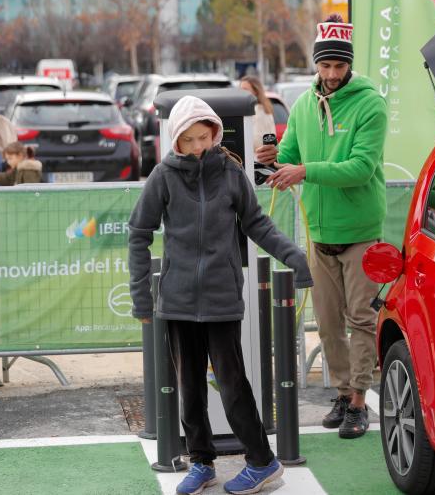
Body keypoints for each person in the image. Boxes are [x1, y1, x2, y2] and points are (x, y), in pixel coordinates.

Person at [128, 95, 312, 495]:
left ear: (214, 132)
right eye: (188, 139)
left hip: (221, 298)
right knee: (190, 387)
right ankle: (202, 463)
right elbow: (139, 232)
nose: (197, 146)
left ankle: (262, 462)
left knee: (231, 383)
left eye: (203, 137)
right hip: (177, 300)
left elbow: (257, 224)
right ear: (176, 139)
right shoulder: (163, 175)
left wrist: (293, 256)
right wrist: (141, 296)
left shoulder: (231, 172)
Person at [257, 14, 387, 439]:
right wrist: (272, 159)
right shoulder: (302, 105)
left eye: (339, 65)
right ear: (315, 64)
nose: (332, 73)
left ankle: (359, 401)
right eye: (325, 65)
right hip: (318, 232)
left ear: (350, 64)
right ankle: (344, 392)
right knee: (328, 324)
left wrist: (304, 171)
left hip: (361, 231)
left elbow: (361, 168)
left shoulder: (371, 104)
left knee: (361, 319)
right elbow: (290, 153)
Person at [239, 75, 276, 151]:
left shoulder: (258, 111)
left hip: (256, 156)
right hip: (261, 155)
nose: (241, 92)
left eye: (245, 89)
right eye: (240, 89)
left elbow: (257, 141)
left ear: (256, 91)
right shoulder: (263, 108)